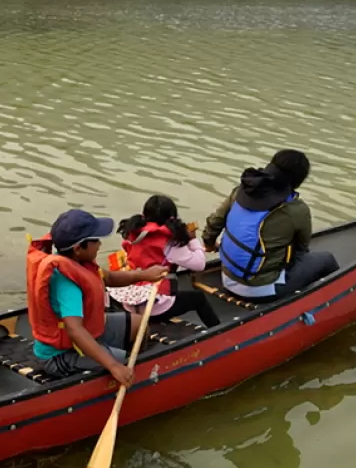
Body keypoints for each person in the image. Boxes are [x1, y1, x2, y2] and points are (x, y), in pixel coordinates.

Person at [26, 208, 169, 385]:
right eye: (95, 240)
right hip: (61, 354)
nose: (100, 244)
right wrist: (114, 366)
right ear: (79, 248)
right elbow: (75, 330)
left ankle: (133, 375)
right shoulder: (67, 283)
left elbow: (108, 278)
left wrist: (144, 275)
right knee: (123, 362)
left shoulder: (77, 261)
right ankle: (125, 374)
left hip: (84, 332)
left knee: (138, 325)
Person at [202, 150, 339, 300]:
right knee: (327, 260)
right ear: (298, 181)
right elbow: (301, 249)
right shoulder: (297, 210)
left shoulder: (241, 191)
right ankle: (331, 301)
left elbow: (213, 224)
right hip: (261, 290)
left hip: (227, 278)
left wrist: (209, 244)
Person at [108, 195, 220, 328]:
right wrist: (192, 240)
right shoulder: (169, 242)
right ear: (172, 218)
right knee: (198, 298)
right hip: (153, 306)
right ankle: (218, 330)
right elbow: (199, 264)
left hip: (129, 301)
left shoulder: (133, 233)